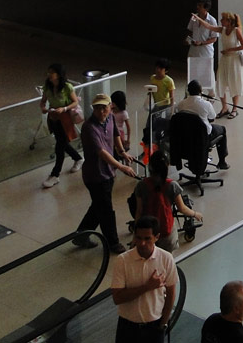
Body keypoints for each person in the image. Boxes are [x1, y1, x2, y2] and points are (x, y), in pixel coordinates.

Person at [74, 93, 137, 254]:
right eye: (98, 108)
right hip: (95, 176)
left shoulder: (110, 119)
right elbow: (102, 152)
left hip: (108, 173)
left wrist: (122, 152)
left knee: (98, 206)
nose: (102, 111)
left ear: (111, 107)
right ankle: (113, 243)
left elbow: (116, 134)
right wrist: (122, 167)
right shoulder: (89, 127)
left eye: (104, 107)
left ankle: (80, 235)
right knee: (106, 210)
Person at [111, 215, 177, 343]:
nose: (142, 243)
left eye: (147, 239)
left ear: (156, 237)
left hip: (154, 326)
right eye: (138, 238)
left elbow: (171, 294)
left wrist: (163, 323)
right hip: (128, 327)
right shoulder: (123, 261)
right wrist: (147, 287)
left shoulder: (166, 258)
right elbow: (117, 298)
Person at [133, 153, 203, 253]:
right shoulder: (172, 185)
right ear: (167, 166)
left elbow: (139, 211)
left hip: (148, 230)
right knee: (167, 260)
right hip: (165, 231)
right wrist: (195, 214)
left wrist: (135, 235)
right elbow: (182, 208)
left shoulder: (141, 185)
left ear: (150, 167)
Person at [193, 12, 243, 119]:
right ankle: (224, 108)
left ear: (229, 21)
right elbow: (209, 26)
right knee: (221, 83)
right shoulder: (222, 29)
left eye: (223, 19)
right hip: (224, 60)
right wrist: (198, 18)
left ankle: (234, 109)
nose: (221, 21)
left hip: (234, 60)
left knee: (234, 83)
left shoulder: (236, 31)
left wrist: (229, 50)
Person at [39, 63, 82, 188]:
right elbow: (43, 101)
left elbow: (75, 102)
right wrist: (43, 108)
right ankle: (78, 158)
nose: (49, 75)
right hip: (53, 118)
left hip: (64, 119)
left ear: (58, 74)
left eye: (51, 72)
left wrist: (64, 108)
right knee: (61, 142)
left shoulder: (67, 87)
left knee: (59, 146)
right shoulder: (47, 86)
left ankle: (55, 174)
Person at [177, 79, 229, 169]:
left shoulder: (181, 104)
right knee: (222, 129)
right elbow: (212, 117)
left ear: (188, 91)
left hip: (186, 136)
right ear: (200, 91)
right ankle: (222, 162)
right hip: (203, 136)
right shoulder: (206, 104)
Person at [185, 0, 218, 95]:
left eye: (200, 6)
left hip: (205, 52)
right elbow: (190, 31)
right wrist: (188, 40)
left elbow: (214, 38)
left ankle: (211, 94)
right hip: (193, 50)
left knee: (206, 73)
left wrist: (202, 43)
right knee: (193, 72)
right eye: (198, 5)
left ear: (206, 9)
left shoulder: (212, 20)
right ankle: (193, 93)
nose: (197, 7)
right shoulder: (194, 18)